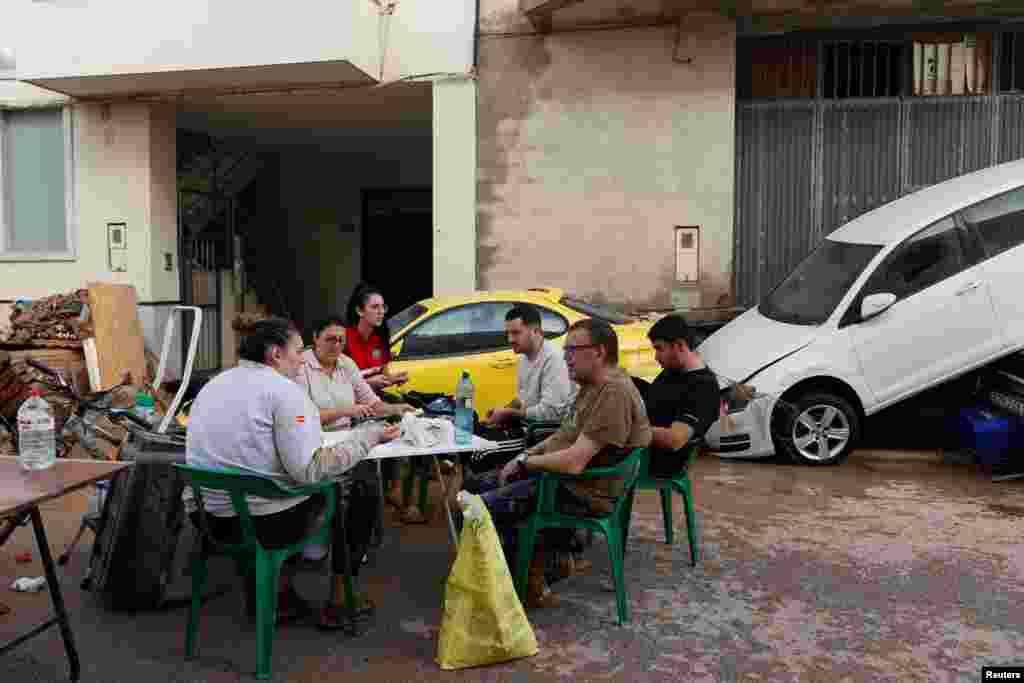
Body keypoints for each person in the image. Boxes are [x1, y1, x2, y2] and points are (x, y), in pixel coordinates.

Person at [185, 314, 401, 630]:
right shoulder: (286, 393)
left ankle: (278, 594)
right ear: (275, 353)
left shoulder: (212, 386)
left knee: (284, 489)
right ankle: (340, 601)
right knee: (360, 488)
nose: (301, 360)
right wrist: (368, 437)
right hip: (261, 525)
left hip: (207, 519)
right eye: (298, 351)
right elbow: (310, 469)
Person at [461, 319, 652, 608]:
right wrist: (522, 457)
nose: (565, 358)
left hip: (583, 493)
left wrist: (527, 464)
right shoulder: (592, 387)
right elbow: (562, 437)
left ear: (599, 352)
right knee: (472, 488)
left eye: (573, 350)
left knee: (477, 507)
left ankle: (525, 579)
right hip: (566, 483)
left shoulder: (614, 393)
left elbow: (575, 462)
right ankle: (535, 571)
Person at [343, 283, 426, 524]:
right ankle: (396, 489)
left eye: (383, 307)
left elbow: (381, 375)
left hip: (374, 396)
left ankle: (405, 486)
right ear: (360, 311)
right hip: (351, 401)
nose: (381, 312)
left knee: (414, 412)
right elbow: (343, 380)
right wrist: (372, 381)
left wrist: (390, 380)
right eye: (375, 307)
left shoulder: (381, 338)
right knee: (394, 417)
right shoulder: (345, 339)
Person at [298, 316, 414, 431]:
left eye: (341, 340)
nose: (337, 345)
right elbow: (300, 418)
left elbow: (371, 402)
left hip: (345, 436)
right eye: (331, 339)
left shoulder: (347, 363)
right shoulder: (301, 365)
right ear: (316, 338)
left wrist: (395, 409)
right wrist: (345, 411)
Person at [642, 314, 721, 478]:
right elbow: (656, 400)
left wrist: (628, 430)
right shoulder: (672, 372)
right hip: (639, 452)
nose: (656, 357)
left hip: (657, 462)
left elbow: (674, 439)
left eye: (659, 348)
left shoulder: (703, 387)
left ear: (679, 346)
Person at [485, 304, 575, 426]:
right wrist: (501, 413)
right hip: (532, 427)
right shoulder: (524, 357)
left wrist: (509, 413)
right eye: (508, 333)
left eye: (516, 333)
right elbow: (522, 399)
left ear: (536, 331)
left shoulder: (554, 359)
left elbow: (552, 413)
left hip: (552, 432)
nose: (510, 339)